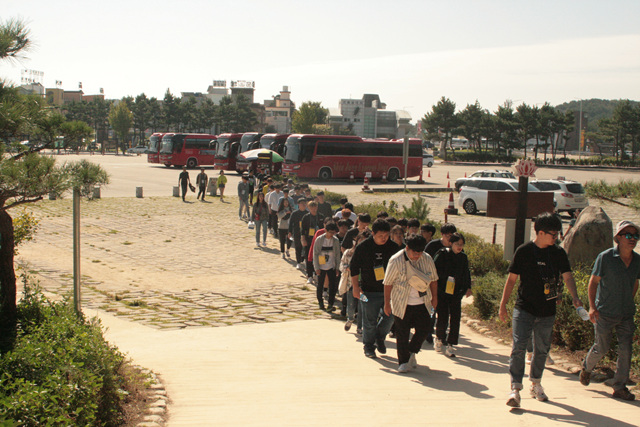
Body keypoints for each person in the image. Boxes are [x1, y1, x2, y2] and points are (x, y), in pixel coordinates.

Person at [499, 212, 584, 408]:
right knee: (518, 348)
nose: (556, 237)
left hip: (547, 310)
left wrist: (575, 296)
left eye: (557, 234)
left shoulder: (558, 253)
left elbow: (568, 276)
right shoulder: (524, 251)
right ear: (539, 232)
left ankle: (536, 383)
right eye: (552, 234)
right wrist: (503, 305)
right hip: (524, 308)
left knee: (542, 350)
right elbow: (511, 280)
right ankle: (515, 388)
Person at [579, 220, 640, 401]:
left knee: (626, 350)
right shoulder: (605, 257)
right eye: (628, 235)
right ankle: (587, 367)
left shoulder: (637, 260)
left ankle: (619, 387)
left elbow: (636, 282)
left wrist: (629, 299)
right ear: (618, 238)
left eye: (635, 236)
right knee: (602, 347)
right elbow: (593, 282)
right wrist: (592, 307)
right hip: (604, 312)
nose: (632, 239)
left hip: (626, 313)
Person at [384, 233, 438, 373]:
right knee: (402, 333)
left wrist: (435, 298)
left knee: (424, 329)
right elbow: (388, 283)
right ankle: (403, 361)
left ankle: (412, 351)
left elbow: (433, 279)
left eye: (420, 252)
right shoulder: (395, 260)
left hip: (423, 302)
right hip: (401, 303)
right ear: (407, 248)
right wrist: (387, 303)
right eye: (415, 252)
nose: (417, 255)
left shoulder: (427, 259)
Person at [350, 219, 399, 358]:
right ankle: (369, 346)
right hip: (368, 289)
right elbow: (353, 268)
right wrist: (355, 287)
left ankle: (380, 337)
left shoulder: (394, 247)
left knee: (390, 316)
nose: (384, 239)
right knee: (369, 320)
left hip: (389, 290)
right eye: (380, 236)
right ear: (373, 233)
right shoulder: (363, 247)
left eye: (386, 235)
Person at [433, 233, 472, 357]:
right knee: (443, 317)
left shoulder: (463, 257)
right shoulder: (442, 254)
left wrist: (468, 287)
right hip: (442, 291)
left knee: (455, 318)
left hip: (456, 292)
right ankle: (439, 338)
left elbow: (466, 273)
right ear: (451, 243)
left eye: (461, 244)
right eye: (457, 244)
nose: (459, 247)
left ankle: (451, 344)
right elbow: (433, 271)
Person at [340, 230, 371, 334]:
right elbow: (342, 265)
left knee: (363, 305)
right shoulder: (348, 252)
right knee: (351, 304)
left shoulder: (370, 254)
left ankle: (360, 326)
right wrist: (348, 268)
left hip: (365, 284)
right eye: (361, 241)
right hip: (351, 283)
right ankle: (350, 318)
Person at [313, 222, 342, 312]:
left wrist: (337, 267)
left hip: (331, 265)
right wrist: (316, 267)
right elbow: (315, 253)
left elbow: (337, 254)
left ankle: (330, 303)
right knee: (320, 285)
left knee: (332, 286)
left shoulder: (335, 240)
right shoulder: (319, 239)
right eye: (330, 232)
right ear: (325, 230)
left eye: (333, 233)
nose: (331, 234)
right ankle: (320, 302)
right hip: (321, 265)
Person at [301, 201, 324, 284]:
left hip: (320, 240)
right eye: (312, 208)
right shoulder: (306, 217)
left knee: (320, 258)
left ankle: (318, 274)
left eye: (315, 208)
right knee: (309, 257)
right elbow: (302, 230)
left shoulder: (321, 216)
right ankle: (309, 275)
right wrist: (303, 239)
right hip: (309, 240)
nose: (314, 210)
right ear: (309, 208)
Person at [289, 198, 308, 271]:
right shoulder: (295, 213)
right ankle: (298, 262)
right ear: (298, 204)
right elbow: (291, 223)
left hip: (305, 234)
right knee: (298, 248)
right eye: (302, 203)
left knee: (305, 248)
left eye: (304, 203)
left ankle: (304, 260)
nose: (303, 205)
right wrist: (290, 231)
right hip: (297, 233)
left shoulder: (307, 213)